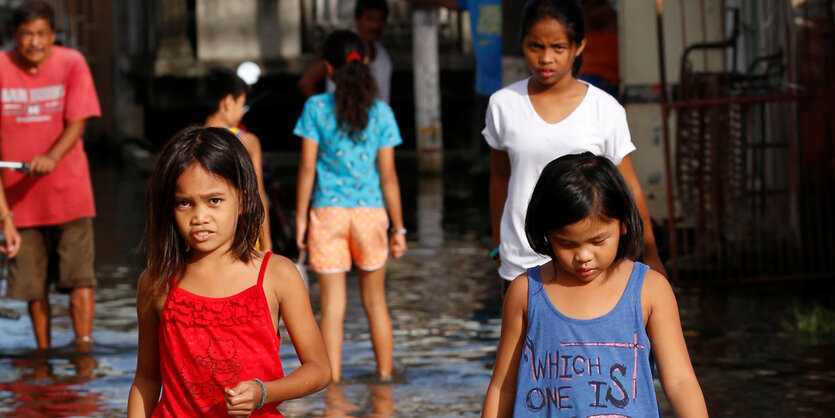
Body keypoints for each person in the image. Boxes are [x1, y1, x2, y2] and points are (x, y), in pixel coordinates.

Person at [482, 152, 708, 417]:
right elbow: (503, 388)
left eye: (598, 241)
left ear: (623, 224)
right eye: (566, 243)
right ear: (547, 235)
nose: (583, 256)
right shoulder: (526, 291)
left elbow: (680, 381)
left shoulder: (650, 290)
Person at [127, 127, 331, 417]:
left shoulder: (277, 275)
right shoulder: (156, 281)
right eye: (184, 203)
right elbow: (147, 378)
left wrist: (263, 392)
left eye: (214, 200)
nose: (199, 217)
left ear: (244, 199)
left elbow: (319, 369)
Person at [485, 0, 667, 295]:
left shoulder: (605, 110)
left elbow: (629, 186)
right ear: (522, 44)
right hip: (522, 261)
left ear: (578, 46)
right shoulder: (503, 105)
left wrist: (651, 253)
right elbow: (500, 178)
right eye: (535, 46)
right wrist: (498, 247)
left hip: (589, 261)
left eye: (557, 47)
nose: (546, 58)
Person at [294, 30, 407, 382]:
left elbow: (307, 168)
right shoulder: (382, 112)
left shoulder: (315, 108)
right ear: (365, 62)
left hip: (326, 214)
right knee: (376, 304)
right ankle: (385, 379)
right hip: (371, 215)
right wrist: (399, 228)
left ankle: (332, 385)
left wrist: (301, 220)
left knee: (332, 309)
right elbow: (388, 176)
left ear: (328, 66)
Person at [0, 1, 100, 350]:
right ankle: (43, 354)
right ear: (14, 35)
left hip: (70, 195)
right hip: (19, 204)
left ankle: (84, 351)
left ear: (53, 35)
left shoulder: (72, 63)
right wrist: (5, 217)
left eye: (42, 33)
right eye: (26, 34)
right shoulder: (1, 66)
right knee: (32, 287)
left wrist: (51, 157)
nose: (34, 42)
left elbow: (78, 121)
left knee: (80, 280)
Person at [200, 66, 272, 251]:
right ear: (228, 102)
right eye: (241, 104)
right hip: (241, 233)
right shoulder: (247, 141)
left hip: (203, 231)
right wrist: (267, 244)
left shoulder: (192, 141)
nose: (242, 112)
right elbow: (258, 194)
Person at [298, 0, 393, 103]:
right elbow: (307, 82)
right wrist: (323, 113)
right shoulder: (343, 49)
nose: (375, 25)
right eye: (370, 19)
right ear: (356, 19)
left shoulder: (383, 55)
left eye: (380, 19)